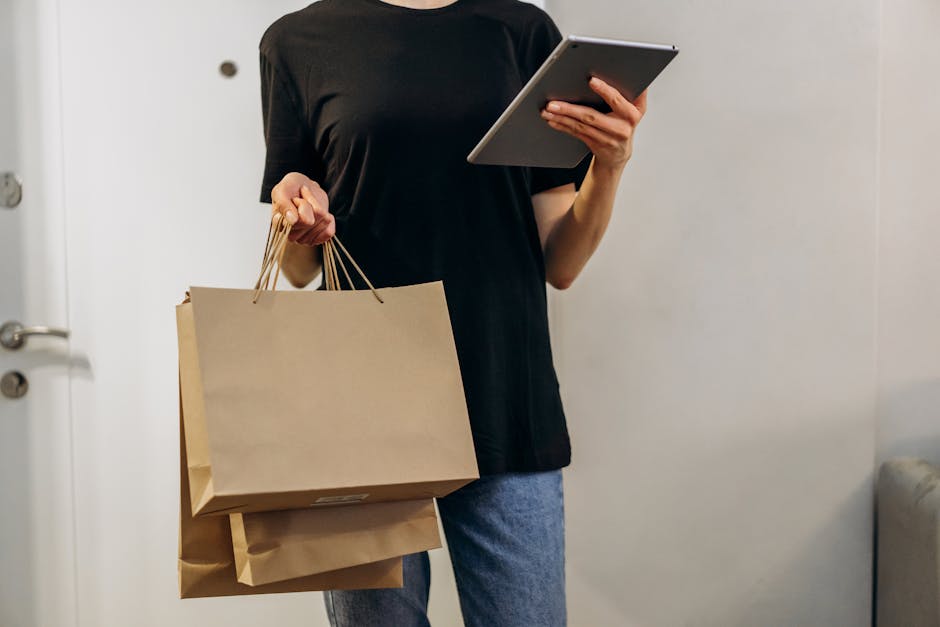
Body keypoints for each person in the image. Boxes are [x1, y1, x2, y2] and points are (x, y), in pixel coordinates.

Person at [258, 0, 647, 624]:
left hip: (503, 396)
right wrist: (297, 219)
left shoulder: (522, 32)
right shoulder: (296, 41)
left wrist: (611, 165)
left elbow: (561, 263)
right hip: (361, 412)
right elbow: (301, 270)